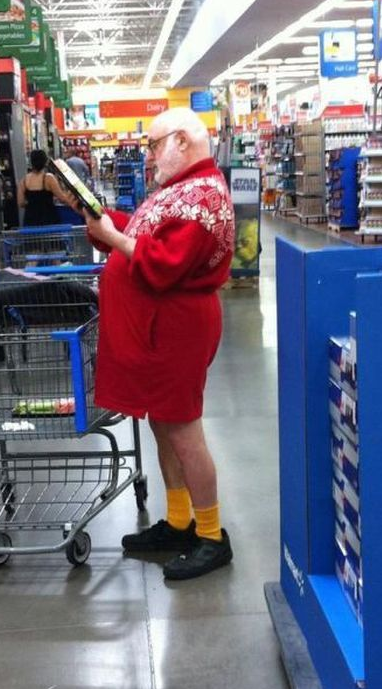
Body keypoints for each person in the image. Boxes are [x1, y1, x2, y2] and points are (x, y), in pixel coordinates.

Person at [81, 107, 235, 580]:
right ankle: (180, 520)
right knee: (164, 424)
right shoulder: (181, 189)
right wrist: (107, 222)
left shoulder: (204, 196)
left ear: (182, 141)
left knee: (184, 430)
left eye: (153, 145)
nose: (148, 156)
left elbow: (164, 262)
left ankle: (211, 536)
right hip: (161, 329)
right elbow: (145, 232)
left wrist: (113, 237)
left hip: (179, 331)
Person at [17, 149, 68, 226]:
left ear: (31, 162)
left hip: (30, 221)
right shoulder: (49, 178)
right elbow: (62, 198)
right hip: (48, 220)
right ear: (45, 162)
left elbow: (20, 203)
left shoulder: (24, 181)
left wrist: (33, 202)